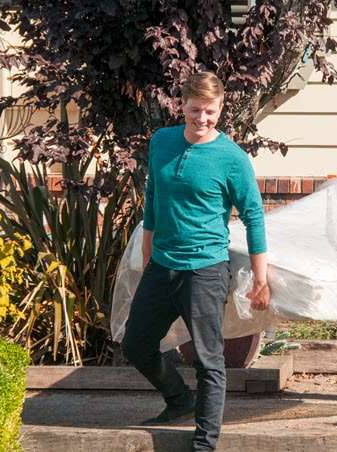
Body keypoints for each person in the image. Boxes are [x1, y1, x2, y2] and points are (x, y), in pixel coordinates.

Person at [122, 71, 270, 451]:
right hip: (163, 264)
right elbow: (153, 199)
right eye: (194, 110)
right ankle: (178, 399)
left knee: (208, 360)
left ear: (220, 108)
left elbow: (253, 215)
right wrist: (147, 258)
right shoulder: (162, 142)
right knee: (137, 344)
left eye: (210, 111)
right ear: (182, 105)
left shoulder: (231, 158)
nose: (202, 119)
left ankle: (205, 442)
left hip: (205, 269)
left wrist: (260, 278)